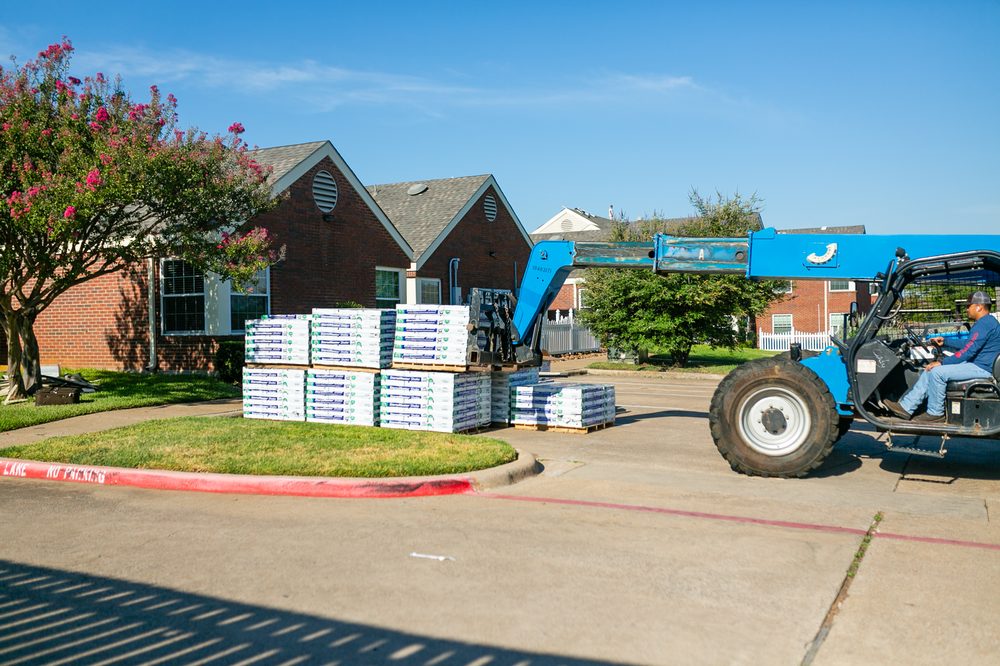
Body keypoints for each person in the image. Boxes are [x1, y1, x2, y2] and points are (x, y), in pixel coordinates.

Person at [884, 290, 1000, 422]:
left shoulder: (984, 324)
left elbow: (968, 351)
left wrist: (942, 362)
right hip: (979, 364)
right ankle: (906, 407)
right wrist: (946, 341)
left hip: (983, 368)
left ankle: (935, 413)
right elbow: (969, 343)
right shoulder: (986, 322)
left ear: (979, 306)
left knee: (937, 372)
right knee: (930, 370)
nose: (967, 309)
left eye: (969, 306)